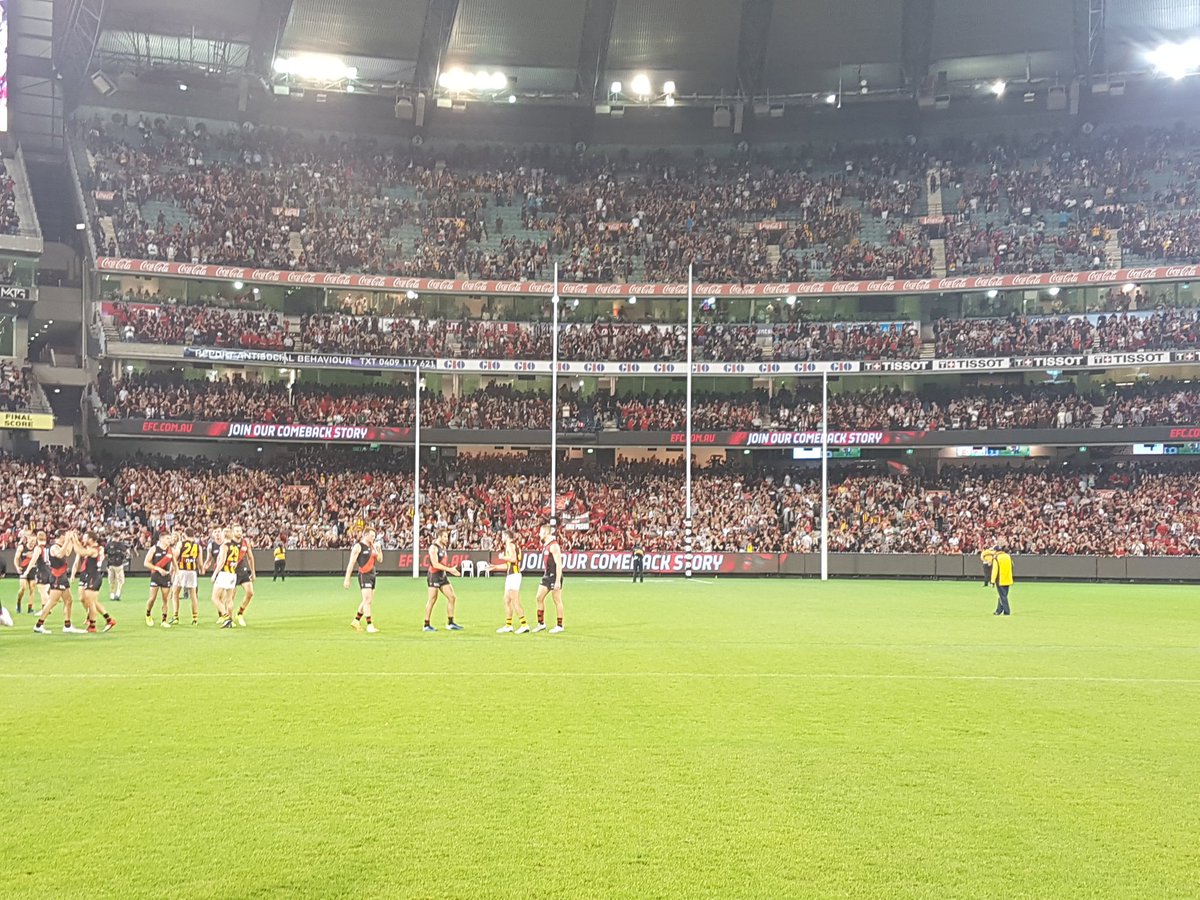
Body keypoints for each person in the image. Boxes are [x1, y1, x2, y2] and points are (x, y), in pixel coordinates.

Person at [29, 531, 85, 634]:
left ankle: (67, 625)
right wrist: (67, 541)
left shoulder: (60, 546)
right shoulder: (54, 547)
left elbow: (67, 552)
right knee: (52, 601)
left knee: (68, 600)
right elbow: (60, 555)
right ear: (61, 536)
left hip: (62, 576)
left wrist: (72, 541)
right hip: (57, 577)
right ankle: (39, 625)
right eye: (65, 536)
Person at [74, 532, 116, 633]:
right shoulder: (97, 548)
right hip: (92, 576)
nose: (83, 539)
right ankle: (109, 620)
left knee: (91, 602)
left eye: (85, 537)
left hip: (93, 577)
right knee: (92, 602)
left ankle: (92, 625)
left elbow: (81, 552)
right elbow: (82, 550)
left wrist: (74, 540)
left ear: (91, 539)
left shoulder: (94, 550)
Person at [423, 527, 461, 632]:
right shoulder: (433, 548)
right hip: (433, 575)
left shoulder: (443, 547)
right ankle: (426, 624)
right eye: (445, 537)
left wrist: (449, 570)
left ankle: (450, 623)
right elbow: (435, 564)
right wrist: (450, 570)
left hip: (442, 575)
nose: (447, 539)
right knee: (432, 599)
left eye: (447, 537)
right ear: (439, 537)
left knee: (452, 597)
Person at [343, 528, 381, 633]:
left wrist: (378, 549)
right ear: (366, 535)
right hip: (364, 575)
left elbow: (380, 559)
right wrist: (347, 578)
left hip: (373, 574)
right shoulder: (358, 546)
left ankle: (356, 620)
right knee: (367, 600)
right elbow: (351, 563)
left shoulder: (372, 546)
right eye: (372, 536)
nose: (373, 538)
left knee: (367, 600)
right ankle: (370, 625)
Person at [533, 524, 565, 634]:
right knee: (538, 597)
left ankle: (560, 625)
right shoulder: (546, 545)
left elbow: (559, 564)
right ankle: (541, 624)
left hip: (554, 576)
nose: (539, 534)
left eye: (541, 532)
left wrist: (557, 581)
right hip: (547, 575)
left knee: (557, 600)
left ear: (546, 533)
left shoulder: (554, 546)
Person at [496, 528, 529, 634]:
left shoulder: (510, 545)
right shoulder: (515, 545)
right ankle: (508, 625)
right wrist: (494, 567)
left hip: (513, 576)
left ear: (506, 536)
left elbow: (513, 559)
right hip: (512, 575)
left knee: (515, 601)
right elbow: (509, 564)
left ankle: (524, 625)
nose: (501, 537)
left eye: (502, 535)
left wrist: (503, 557)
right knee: (506, 600)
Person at [171, 528, 203, 626]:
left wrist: (172, 569)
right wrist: (202, 569)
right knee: (193, 595)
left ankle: (175, 616)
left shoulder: (181, 544)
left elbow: (175, 556)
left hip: (181, 570)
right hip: (192, 572)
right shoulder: (198, 546)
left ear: (184, 534)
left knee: (175, 593)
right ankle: (195, 618)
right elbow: (200, 562)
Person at [210, 528, 240, 628]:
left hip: (224, 574)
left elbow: (222, 562)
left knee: (215, 598)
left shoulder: (224, 546)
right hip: (232, 574)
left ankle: (227, 618)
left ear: (224, 535)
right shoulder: (235, 546)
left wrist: (214, 574)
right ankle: (230, 621)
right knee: (229, 599)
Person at [144, 532, 175, 628]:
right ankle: (148, 614)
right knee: (152, 598)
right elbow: (146, 563)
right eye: (167, 538)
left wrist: (176, 574)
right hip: (155, 575)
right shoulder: (154, 549)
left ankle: (164, 620)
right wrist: (158, 569)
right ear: (161, 539)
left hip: (166, 577)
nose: (169, 540)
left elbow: (174, 564)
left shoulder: (170, 550)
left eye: (170, 538)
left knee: (165, 599)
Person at [231, 526, 257, 627]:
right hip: (232, 571)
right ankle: (229, 618)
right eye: (237, 531)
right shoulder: (229, 543)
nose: (239, 532)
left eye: (240, 531)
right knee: (231, 596)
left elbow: (250, 557)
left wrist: (253, 572)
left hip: (242, 570)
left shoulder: (245, 542)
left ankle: (240, 613)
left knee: (250, 592)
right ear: (233, 532)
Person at [14, 532, 38, 614]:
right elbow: (16, 558)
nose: (33, 543)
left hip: (33, 569)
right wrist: (17, 567)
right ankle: (18, 603)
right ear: (27, 539)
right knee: (23, 588)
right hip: (23, 570)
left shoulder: (36, 548)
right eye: (31, 541)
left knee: (32, 588)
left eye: (34, 541)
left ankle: (30, 608)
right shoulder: (22, 547)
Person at [990, 546, 1014, 616]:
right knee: (1003, 595)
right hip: (1008, 578)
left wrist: (992, 581)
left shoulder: (996, 558)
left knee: (1003, 596)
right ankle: (998, 610)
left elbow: (995, 570)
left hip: (1000, 579)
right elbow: (1012, 565)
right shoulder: (1008, 556)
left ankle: (1007, 611)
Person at [105, 534, 128, 602]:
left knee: (111, 581)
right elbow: (125, 551)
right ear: (118, 538)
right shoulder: (120, 544)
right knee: (120, 581)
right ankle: (117, 594)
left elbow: (105, 553)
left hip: (110, 565)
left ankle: (112, 595)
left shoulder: (108, 544)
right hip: (118, 565)